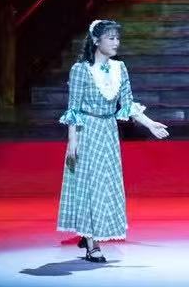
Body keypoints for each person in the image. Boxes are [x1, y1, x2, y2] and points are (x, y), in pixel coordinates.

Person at [56, 19, 169, 263]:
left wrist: (150, 124)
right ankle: (92, 244)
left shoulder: (120, 68)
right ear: (96, 40)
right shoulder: (81, 70)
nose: (116, 42)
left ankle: (89, 232)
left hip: (108, 130)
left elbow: (127, 104)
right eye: (111, 38)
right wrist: (73, 141)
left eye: (118, 38)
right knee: (89, 185)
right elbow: (73, 108)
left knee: (106, 185)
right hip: (87, 130)